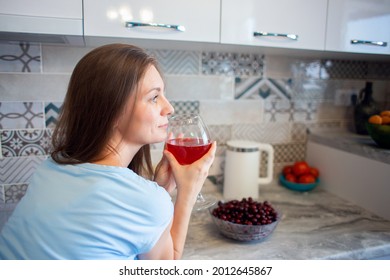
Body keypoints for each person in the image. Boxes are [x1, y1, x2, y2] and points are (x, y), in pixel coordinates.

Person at [0, 44, 216, 260]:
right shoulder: (144, 202)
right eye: (154, 97)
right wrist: (188, 192)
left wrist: (159, 191)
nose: (169, 108)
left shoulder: (52, 166)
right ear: (112, 110)